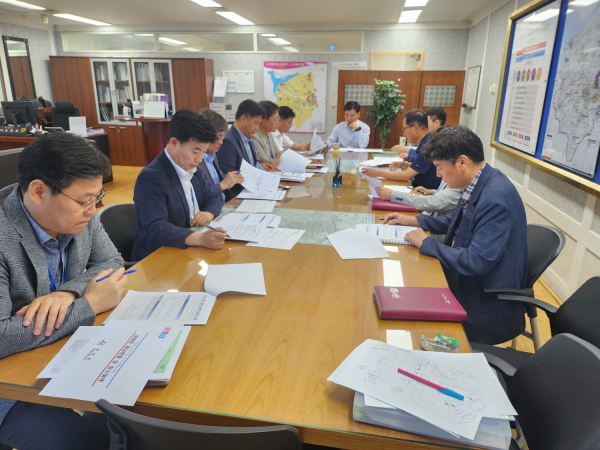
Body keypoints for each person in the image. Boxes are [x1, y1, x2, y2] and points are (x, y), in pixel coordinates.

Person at [0, 132, 127, 450]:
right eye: (85, 201)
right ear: (38, 191)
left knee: (126, 415)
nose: (92, 210)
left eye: (97, 198)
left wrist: (68, 293)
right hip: (8, 383)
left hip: (58, 353)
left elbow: (111, 261)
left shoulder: (78, 214)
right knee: (81, 440)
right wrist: (88, 305)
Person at [383, 126, 528, 345]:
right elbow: (460, 220)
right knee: (403, 287)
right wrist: (416, 220)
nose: (438, 175)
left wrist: (428, 243)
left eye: (440, 168)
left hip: (484, 304)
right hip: (467, 282)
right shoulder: (480, 181)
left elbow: (476, 261)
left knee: (405, 317)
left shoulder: (495, 199)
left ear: (462, 162)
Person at [132, 109, 226, 261]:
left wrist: (209, 213)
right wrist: (199, 238)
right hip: (160, 257)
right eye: (195, 151)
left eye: (203, 152)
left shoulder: (192, 168)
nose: (199, 159)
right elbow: (156, 228)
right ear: (174, 143)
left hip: (192, 251)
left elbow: (213, 196)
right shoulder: (151, 177)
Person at [361, 109, 441, 189]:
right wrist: (404, 164)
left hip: (425, 192)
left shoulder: (428, 146)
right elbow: (422, 167)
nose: (404, 134)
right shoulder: (428, 140)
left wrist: (378, 173)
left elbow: (406, 176)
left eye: (404, 129)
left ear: (416, 128)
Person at [217, 100, 278, 197]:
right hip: (238, 195)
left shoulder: (247, 137)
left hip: (252, 191)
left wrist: (259, 168)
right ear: (243, 119)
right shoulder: (228, 142)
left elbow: (248, 165)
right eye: (256, 123)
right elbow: (227, 176)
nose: (257, 128)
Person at [198, 108, 244, 202]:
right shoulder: (195, 161)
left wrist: (232, 177)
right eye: (218, 138)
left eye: (222, 137)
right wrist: (222, 185)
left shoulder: (212, 154)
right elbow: (199, 194)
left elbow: (216, 178)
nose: (221, 142)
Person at [253, 101, 282, 165]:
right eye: (275, 120)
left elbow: (278, 154)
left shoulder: (269, 134)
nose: (278, 123)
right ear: (264, 121)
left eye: (278, 119)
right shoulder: (253, 136)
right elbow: (264, 160)